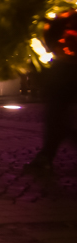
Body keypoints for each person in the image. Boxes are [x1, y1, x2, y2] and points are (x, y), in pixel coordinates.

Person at [25, 51, 77, 179]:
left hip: (60, 87)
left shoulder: (62, 53)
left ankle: (45, 157)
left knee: (56, 124)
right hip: (59, 87)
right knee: (56, 124)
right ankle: (45, 156)